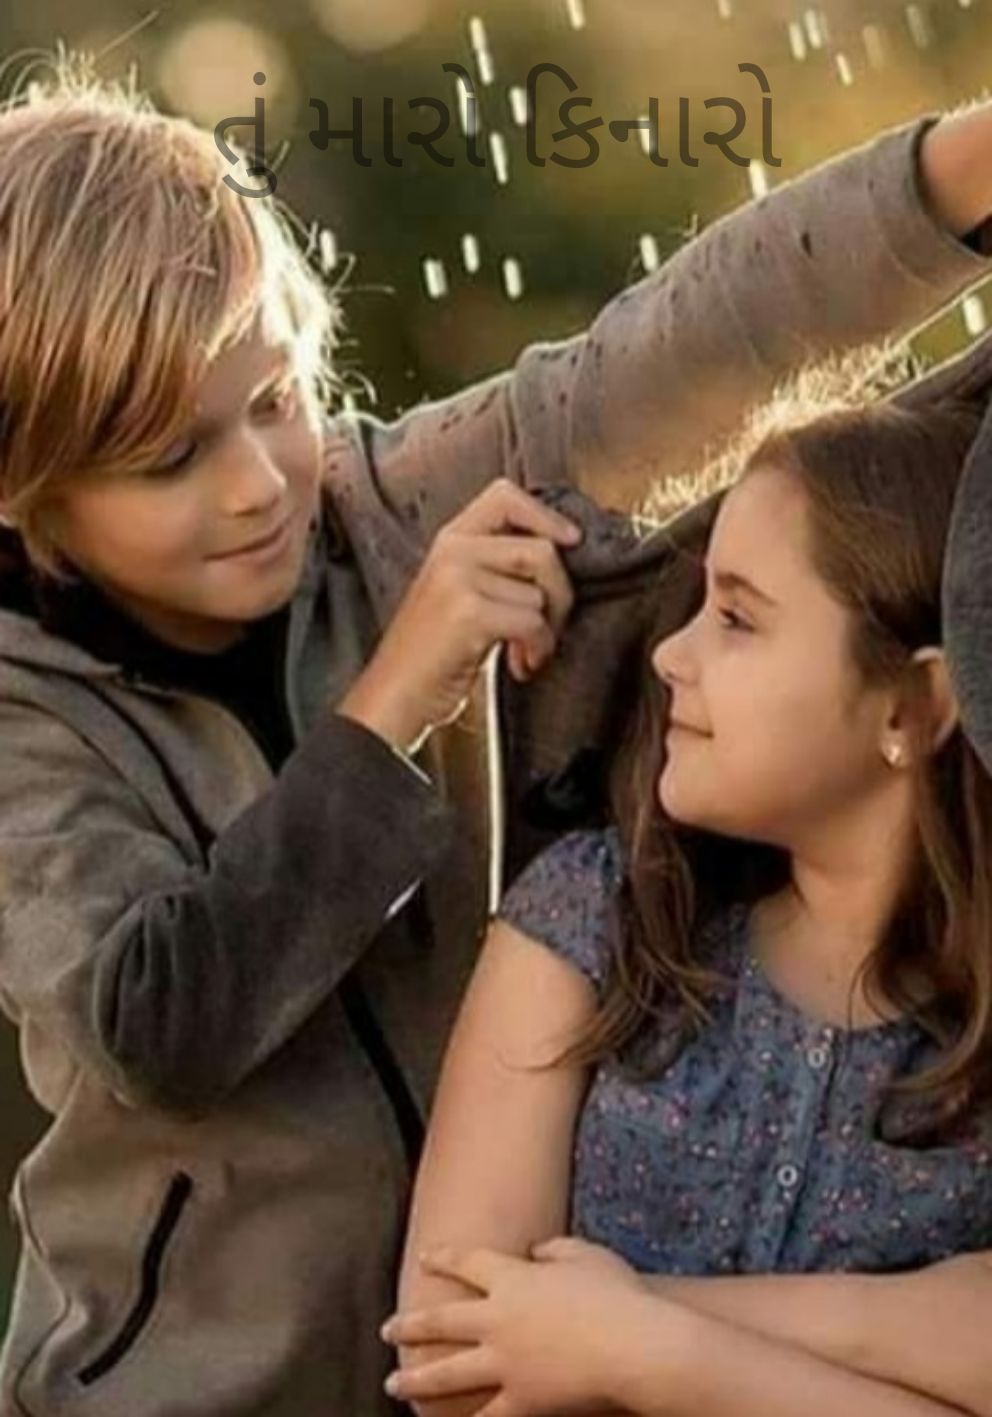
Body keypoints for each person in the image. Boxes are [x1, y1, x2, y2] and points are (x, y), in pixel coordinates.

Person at [2, 52, 992, 1417]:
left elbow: (676, 354)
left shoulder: (384, 510)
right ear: (27, 484)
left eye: (276, 400)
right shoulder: (20, 718)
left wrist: (959, 173)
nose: (258, 486)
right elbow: (162, 1024)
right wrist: (398, 694)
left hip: (518, 1355)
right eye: (173, 457)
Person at [386, 391, 992, 1417]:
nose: (671, 653)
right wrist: (904, 1329)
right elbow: (452, 1359)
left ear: (912, 706)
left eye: (737, 619)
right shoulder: (593, 921)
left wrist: (642, 1345)